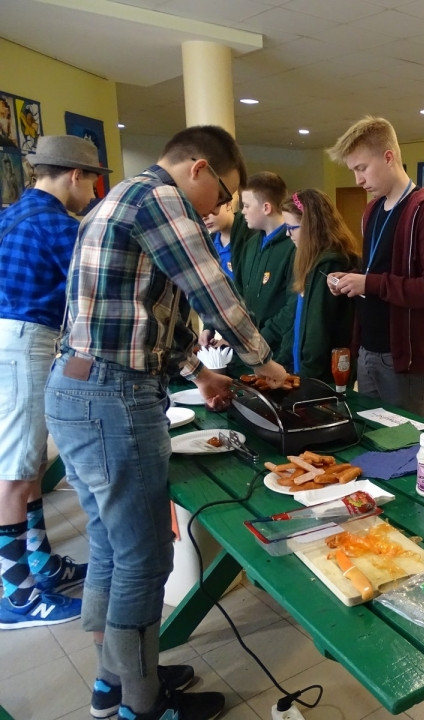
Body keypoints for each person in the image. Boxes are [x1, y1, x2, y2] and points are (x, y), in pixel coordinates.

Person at [44, 125, 288, 720]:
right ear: (199, 169)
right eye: (225, 194)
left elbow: (140, 310)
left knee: (109, 546)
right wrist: (266, 362)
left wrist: (198, 372)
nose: (222, 208)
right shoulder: (161, 198)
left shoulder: (116, 198)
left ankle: (118, 682)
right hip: (112, 397)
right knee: (144, 559)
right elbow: (215, 292)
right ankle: (141, 705)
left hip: (74, 389)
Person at [0, 136, 109, 632]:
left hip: (16, 340)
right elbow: (101, 284)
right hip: (26, 341)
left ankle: (42, 566)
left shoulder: (13, 213)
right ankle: (17, 596)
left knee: (32, 464)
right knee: (15, 473)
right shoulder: (55, 224)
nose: (91, 191)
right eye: (91, 180)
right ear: (73, 176)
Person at [326, 116, 424, 417]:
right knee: (371, 441)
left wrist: (369, 283)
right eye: (353, 170)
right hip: (368, 348)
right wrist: (352, 279)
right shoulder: (372, 210)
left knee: (404, 448)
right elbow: (377, 271)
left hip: (403, 359)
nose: (358, 180)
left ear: (389, 157)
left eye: (361, 168)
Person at [280, 189, 359, 385]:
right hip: (304, 371)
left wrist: (306, 376)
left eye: (292, 227)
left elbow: (318, 327)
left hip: (320, 377)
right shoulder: (312, 262)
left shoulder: (330, 264)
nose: (287, 233)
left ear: (310, 227)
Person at [232, 171, 296, 365]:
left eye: (246, 205)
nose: (242, 211)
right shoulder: (250, 245)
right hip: (251, 349)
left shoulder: (294, 246)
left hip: (279, 354)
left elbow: (292, 306)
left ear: (266, 207)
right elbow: (240, 291)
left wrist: (263, 337)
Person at [201, 196, 256, 280]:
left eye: (209, 209)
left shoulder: (253, 234)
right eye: (200, 213)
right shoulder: (208, 243)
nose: (204, 217)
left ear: (227, 204)